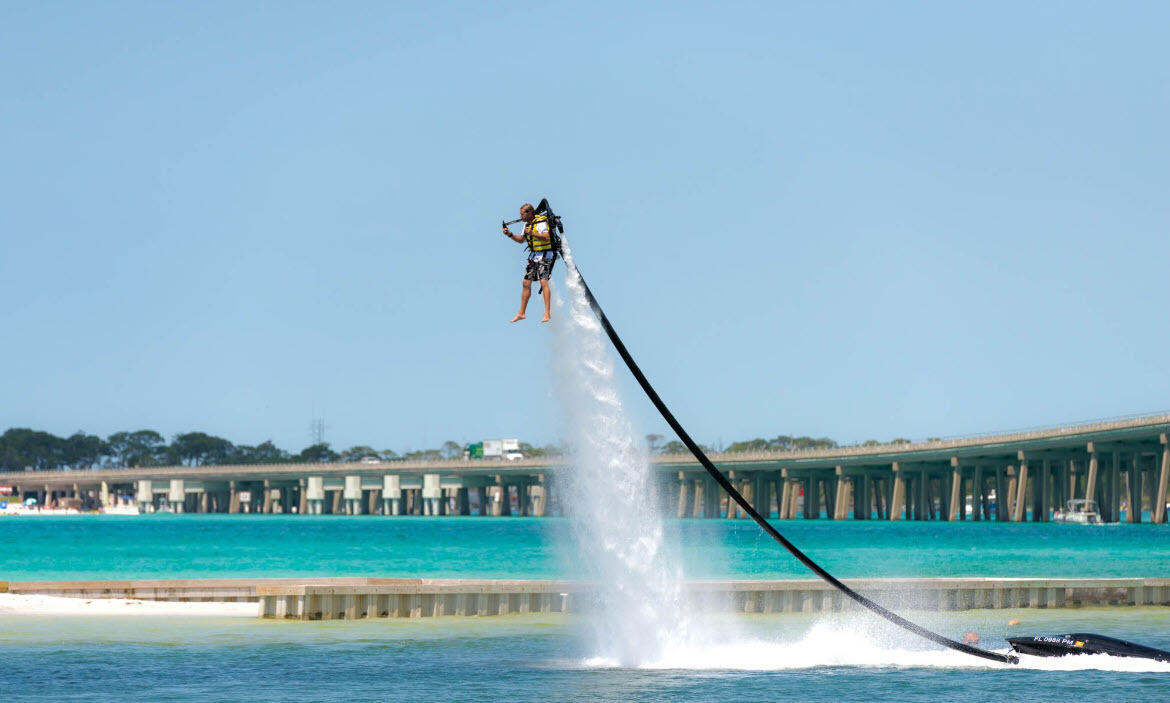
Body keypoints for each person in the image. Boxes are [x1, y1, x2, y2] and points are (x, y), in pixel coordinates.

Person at [502, 202, 556, 323]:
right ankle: (521, 313)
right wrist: (509, 234)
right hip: (534, 256)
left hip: (545, 254)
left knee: (543, 281)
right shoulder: (527, 224)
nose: (521, 217)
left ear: (530, 213)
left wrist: (532, 233)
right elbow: (521, 240)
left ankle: (547, 313)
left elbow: (546, 237)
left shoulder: (540, 222)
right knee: (526, 282)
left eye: (523, 214)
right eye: (520, 215)